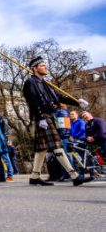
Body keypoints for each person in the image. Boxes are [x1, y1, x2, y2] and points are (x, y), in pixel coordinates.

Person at [22, 56, 92, 186]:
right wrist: (40, 117)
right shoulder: (30, 82)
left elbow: (59, 97)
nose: (45, 67)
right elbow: (32, 101)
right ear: (35, 68)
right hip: (42, 117)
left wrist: (77, 102)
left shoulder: (45, 84)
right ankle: (74, 176)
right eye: (42, 65)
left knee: (42, 149)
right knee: (57, 145)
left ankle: (34, 177)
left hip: (48, 116)